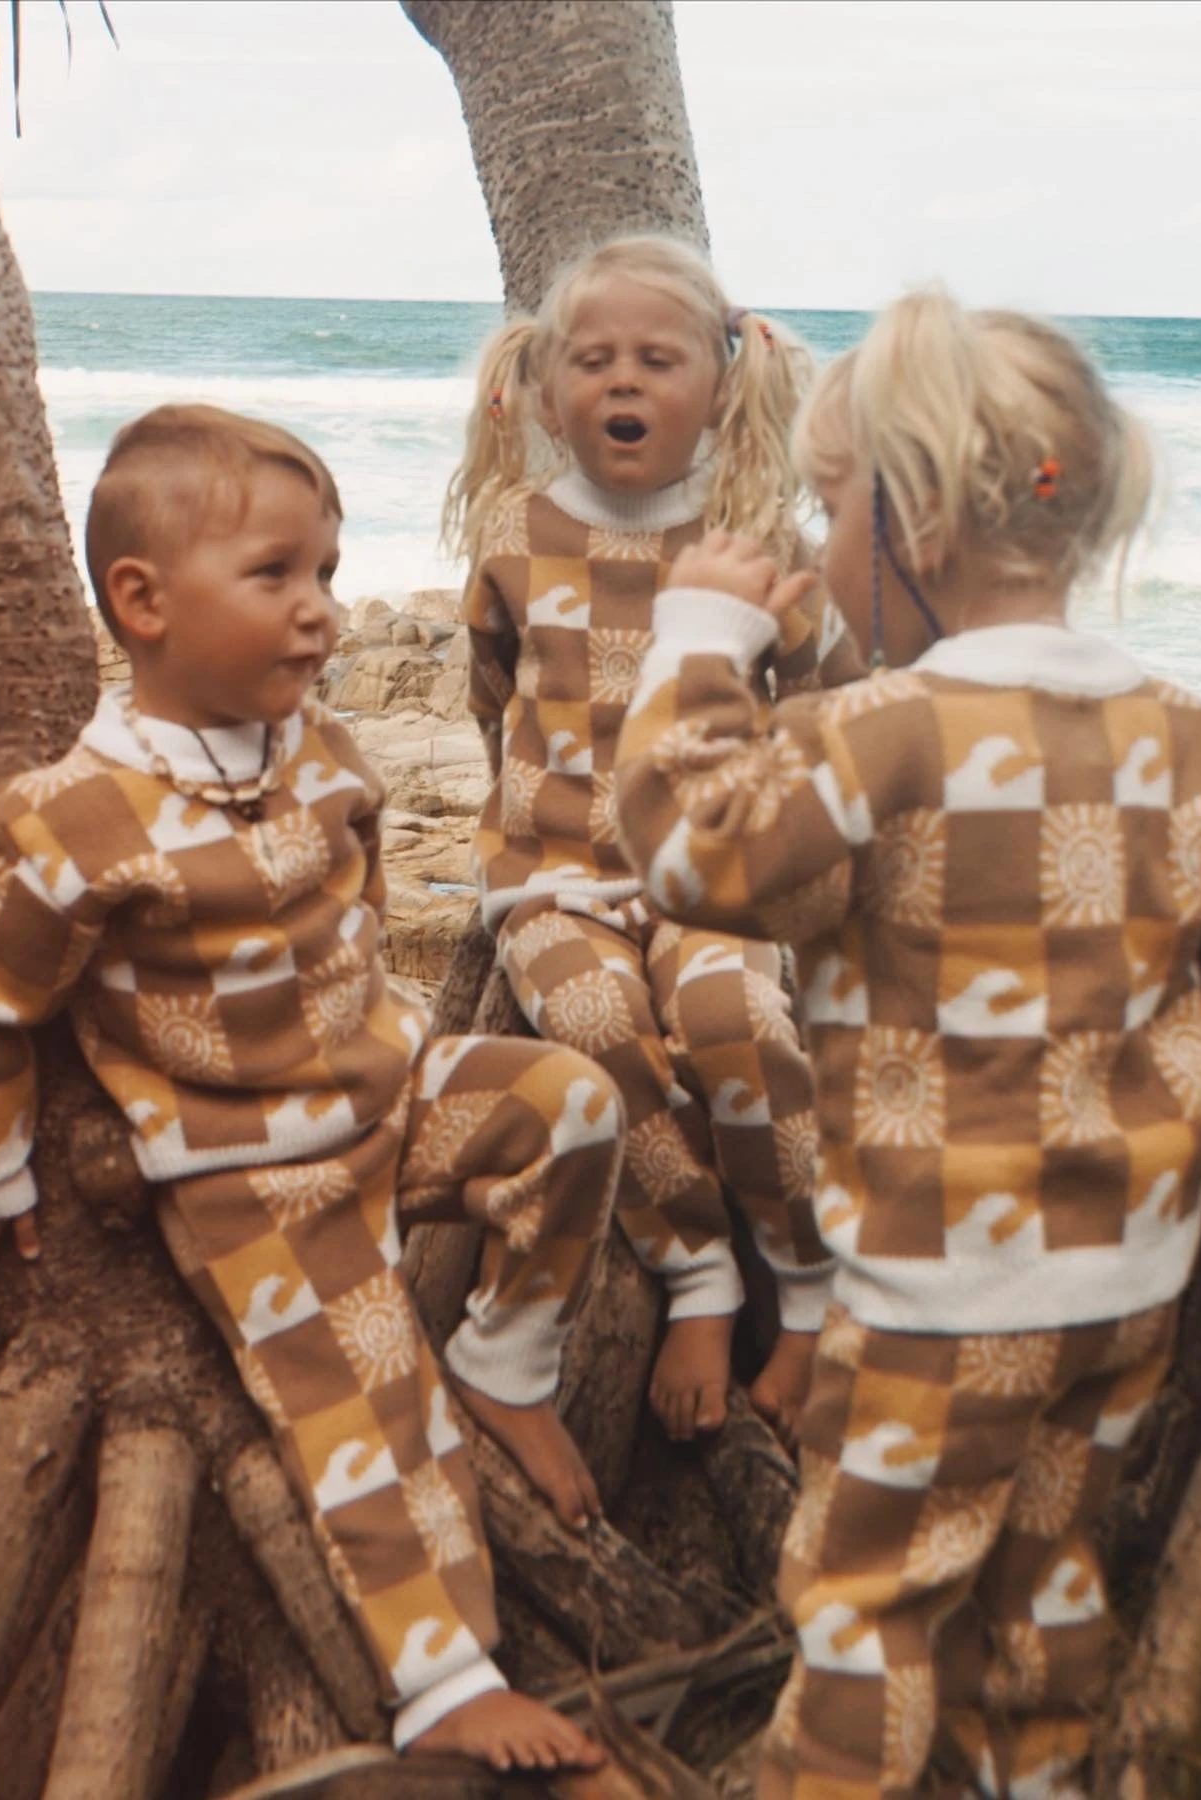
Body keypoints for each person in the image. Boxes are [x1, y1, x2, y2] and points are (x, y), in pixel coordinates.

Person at [611, 292, 1201, 1797]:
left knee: (868, 1611)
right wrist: (1166, 1059)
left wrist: (704, 637)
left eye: (830, 505)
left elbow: (685, 850)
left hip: (939, 1286)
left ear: (910, 521)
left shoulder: (882, 731)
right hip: (1128, 1278)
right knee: (1046, 1595)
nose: (817, 540)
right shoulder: (1197, 738)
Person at [0, 404, 619, 1772]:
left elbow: (359, 885)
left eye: (331, 574)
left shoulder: (316, 748)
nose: (321, 611)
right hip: (257, 1174)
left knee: (572, 1108)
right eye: (277, 575)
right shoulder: (76, 819)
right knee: (370, 1409)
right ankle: (445, 1679)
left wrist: (375, 1020)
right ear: (144, 603)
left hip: (387, 1090)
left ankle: (510, 1358)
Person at [446, 233, 865, 1446]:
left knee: (737, 1022)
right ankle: (698, 1273)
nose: (621, 380)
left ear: (723, 388)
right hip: (552, 880)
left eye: (656, 359)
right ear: (546, 394)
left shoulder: (756, 544)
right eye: (593, 361)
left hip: (714, 875)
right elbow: (492, 694)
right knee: (596, 1031)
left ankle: (807, 1283)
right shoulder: (513, 535)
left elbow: (830, 698)